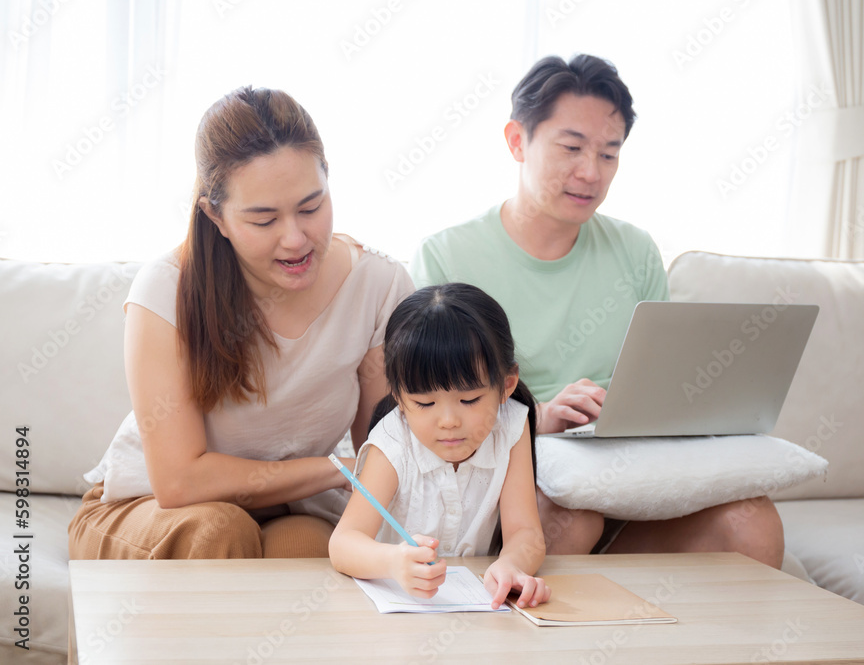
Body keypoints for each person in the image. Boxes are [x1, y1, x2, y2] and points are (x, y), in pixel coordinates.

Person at [409, 54, 784, 566]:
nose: (590, 172)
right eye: (571, 148)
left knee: (753, 524)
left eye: (609, 154)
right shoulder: (448, 256)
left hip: (631, 477)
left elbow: (663, 382)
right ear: (517, 141)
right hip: (526, 480)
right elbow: (431, 412)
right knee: (574, 513)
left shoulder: (635, 250)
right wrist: (538, 418)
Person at [68, 86, 414, 560]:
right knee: (220, 530)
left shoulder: (380, 285)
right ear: (216, 216)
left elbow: (383, 444)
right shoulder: (165, 290)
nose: (296, 239)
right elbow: (178, 482)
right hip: (143, 506)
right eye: (264, 220)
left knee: (310, 550)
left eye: (311, 207)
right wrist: (341, 469)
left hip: (286, 507)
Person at [329, 283, 551, 610]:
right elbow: (343, 543)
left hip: (478, 610)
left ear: (507, 385)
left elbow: (526, 533)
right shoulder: (392, 442)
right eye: (424, 402)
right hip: (390, 612)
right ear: (399, 398)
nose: (448, 421)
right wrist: (393, 562)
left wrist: (511, 565)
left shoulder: (512, 427)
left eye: (469, 399)